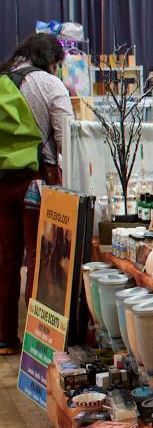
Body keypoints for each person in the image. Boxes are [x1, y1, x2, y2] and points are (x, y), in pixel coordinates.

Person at [0, 33, 72, 354]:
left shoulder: (3, 78)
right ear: (53, 60)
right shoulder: (50, 85)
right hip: (35, 185)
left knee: (5, 259)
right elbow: (67, 140)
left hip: (2, 182)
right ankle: (36, 342)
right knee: (37, 260)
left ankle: (4, 338)